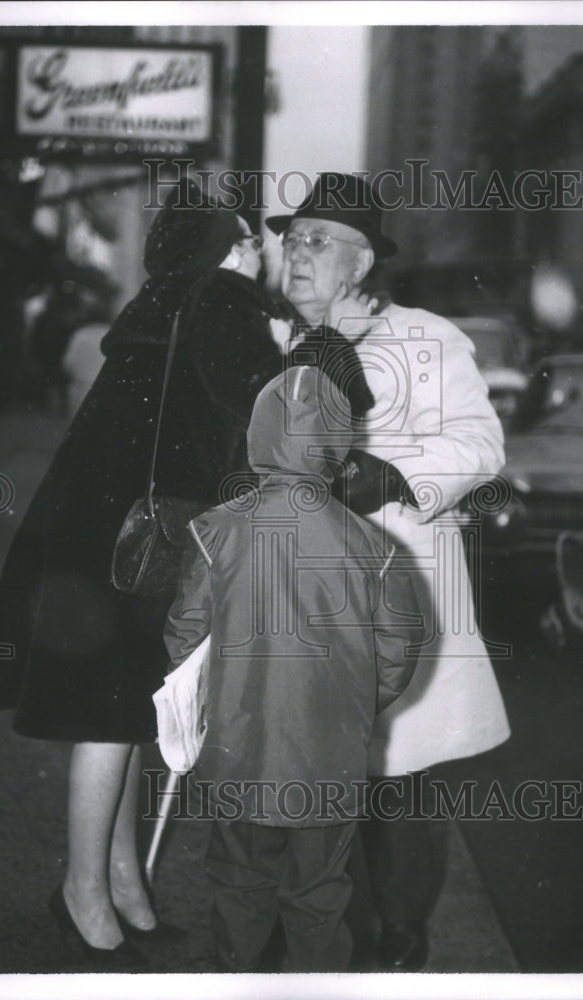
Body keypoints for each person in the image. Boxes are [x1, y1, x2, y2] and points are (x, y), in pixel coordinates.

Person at [0, 180, 291, 969]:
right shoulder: (223, 300)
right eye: (250, 238)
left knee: (116, 715)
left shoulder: (160, 302)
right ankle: (84, 891)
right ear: (227, 245)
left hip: (98, 536)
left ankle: (120, 883)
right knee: (112, 718)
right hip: (136, 547)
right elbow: (271, 415)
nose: (261, 251)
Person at [266, 172, 511, 971]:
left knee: (396, 777)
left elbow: (479, 446)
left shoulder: (425, 337)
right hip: (291, 599)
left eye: (316, 242)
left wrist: (390, 474)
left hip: (393, 591)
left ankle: (401, 944)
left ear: (362, 262)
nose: (296, 256)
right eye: (289, 239)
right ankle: (300, 938)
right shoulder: (264, 342)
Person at [163, 365, 424, 972]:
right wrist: (352, 703)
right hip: (329, 759)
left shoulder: (213, 532)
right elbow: (397, 653)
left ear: (257, 437)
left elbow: (183, 638)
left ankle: (239, 977)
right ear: (337, 448)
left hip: (237, 753)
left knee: (239, 884)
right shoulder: (376, 547)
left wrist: (216, 699)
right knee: (320, 896)